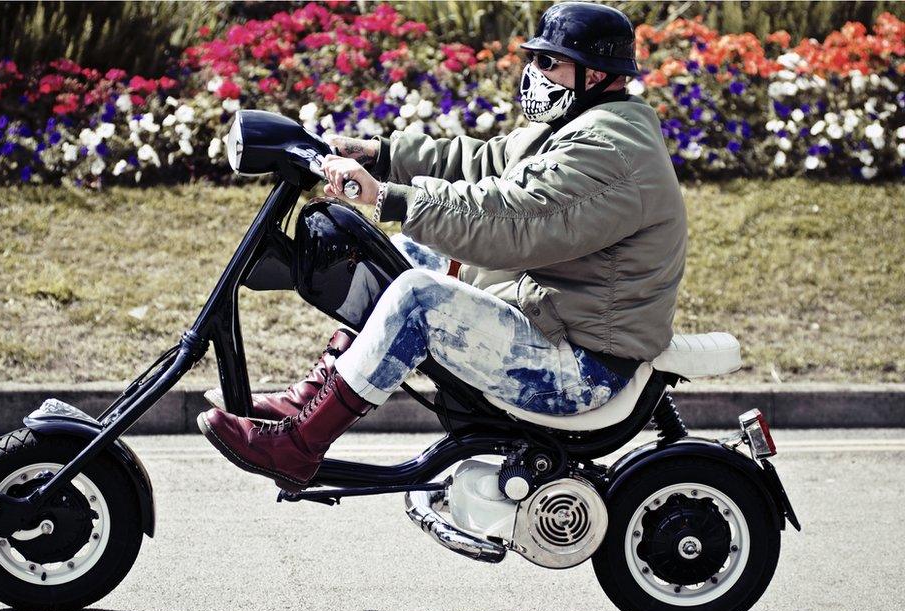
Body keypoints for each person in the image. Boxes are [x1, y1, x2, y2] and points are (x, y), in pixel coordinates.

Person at [197, 1, 687, 492]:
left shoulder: (608, 150)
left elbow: (510, 221)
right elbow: (486, 161)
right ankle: (308, 400)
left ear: (595, 73)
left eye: (547, 62)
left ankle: (299, 446)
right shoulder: (582, 123)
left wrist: (385, 196)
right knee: (405, 256)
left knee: (419, 297)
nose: (532, 72)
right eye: (533, 59)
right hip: (556, 326)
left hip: (581, 372)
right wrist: (381, 155)